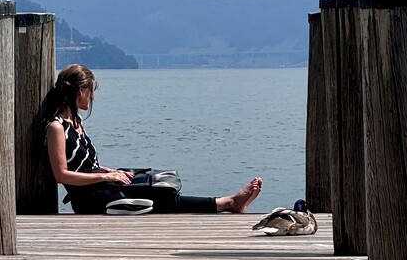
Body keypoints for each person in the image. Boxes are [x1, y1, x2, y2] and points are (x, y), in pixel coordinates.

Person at [43, 63, 262, 215]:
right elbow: (62, 175)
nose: (93, 97)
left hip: (102, 185)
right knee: (159, 195)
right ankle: (228, 202)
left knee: (156, 182)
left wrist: (113, 173)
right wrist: (106, 177)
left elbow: (90, 166)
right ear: (80, 91)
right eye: (91, 91)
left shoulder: (77, 123)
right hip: (90, 199)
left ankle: (228, 203)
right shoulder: (57, 128)